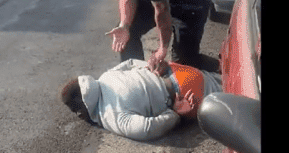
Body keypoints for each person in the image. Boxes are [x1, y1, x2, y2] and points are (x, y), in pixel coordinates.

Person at [59, 59, 223, 141]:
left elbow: (146, 129)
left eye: (76, 111)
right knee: (229, 78)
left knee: (231, 101)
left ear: (82, 106)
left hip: (186, 94)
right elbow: (130, 62)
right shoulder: (105, 77)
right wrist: (151, 67)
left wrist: (175, 113)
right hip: (177, 71)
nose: (78, 116)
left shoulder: (110, 114)